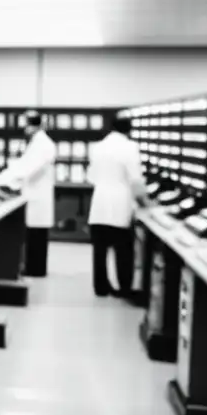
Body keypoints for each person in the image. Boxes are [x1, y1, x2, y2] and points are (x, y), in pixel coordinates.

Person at [87, 114, 149, 297]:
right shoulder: (130, 147)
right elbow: (135, 179)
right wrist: (145, 203)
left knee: (99, 250)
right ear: (129, 130)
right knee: (123, 250)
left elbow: (91, 177)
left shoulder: (97, 147)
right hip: (120, 204)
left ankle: (101, 288)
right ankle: (124, 288)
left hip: (99, 203)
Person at [0, 109, 56, 277]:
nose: (24, 128)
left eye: (25, 124)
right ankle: (32, 267)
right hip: (33, 194)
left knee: (37, 236)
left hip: (38, 195)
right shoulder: (36, 142)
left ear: (31, 124)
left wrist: (3, 180)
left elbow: (28, 169)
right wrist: (2, 177)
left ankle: (36, 270)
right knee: (32, 235)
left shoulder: (44, 144)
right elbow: (22, 164)